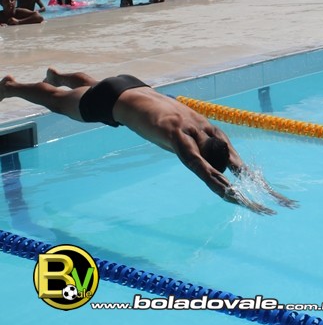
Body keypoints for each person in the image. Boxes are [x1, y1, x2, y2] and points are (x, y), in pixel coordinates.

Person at [0, 68, 298, 215]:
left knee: (91, 87)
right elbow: (212, 178)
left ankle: (60, 76)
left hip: (132, 84)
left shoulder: (212, 130)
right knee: (56, 102)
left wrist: (274, 194)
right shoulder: (181, 139)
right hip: (110, 101)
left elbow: (238, 166)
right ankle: (11, 86)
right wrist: (251, 206)